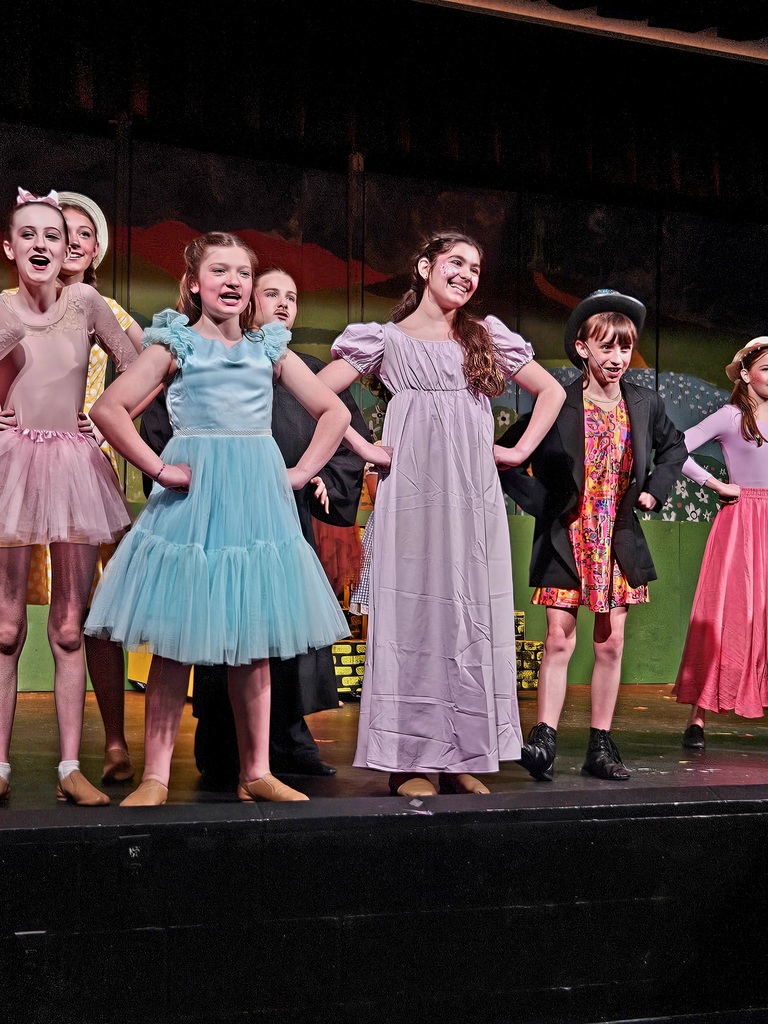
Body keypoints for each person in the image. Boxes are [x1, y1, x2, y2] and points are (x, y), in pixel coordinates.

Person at [84, 234, 352, 806]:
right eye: (219, 271)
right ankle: (156, 776)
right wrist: (160, 466)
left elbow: (334, 410)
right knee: (175, 641)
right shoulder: (176, 345)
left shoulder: (268, 349)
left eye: (241, 273)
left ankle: (256, 770)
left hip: (256, 501)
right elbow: (108, 409)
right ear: (195, 283)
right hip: (193, 503)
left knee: (253, 642)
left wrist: (300, 471)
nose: (232, 282)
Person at [317, 230, 566, 798]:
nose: (467, 274)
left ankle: (460, 754)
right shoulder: (383, 340)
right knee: (415, 619)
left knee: (468, 613)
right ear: (425, 266)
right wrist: (363, 445)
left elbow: (550, 391)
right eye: (456, 262)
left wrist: (518, 451)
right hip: (412, 496)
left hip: (472, 498)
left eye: (475, 267)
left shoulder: (484, 337)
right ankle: (410, 760)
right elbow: (317, 392)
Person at [137, 267, 370, 782]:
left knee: (269, 636)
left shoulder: (294, 363)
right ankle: (212, 746)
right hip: (203, 511)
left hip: (275, 514)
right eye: (272, 292)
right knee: (195, 631)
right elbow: (156, 421)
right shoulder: (190, 352)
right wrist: (168, 469)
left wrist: (314, 474)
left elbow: (341, 424)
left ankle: (277, 747)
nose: (283, 303)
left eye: (293, 295)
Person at [499, 289, 687, 782]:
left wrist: (654, 492)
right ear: (582, 348)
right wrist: (537, 501)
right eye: (606, 348)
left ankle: (600, 746)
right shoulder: (559, 404)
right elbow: (504, 451)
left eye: (624, 349)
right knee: (559, 640)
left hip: (617, 538)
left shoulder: (645, 404)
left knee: (610, 642)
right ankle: (543, 738)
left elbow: (674, 448)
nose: (617, 359)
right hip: (568, 534)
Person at [0, 187, 139, 805]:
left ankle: (67, 767)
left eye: (52, 236)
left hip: (74, 463)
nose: (42, 245)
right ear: (9, 247)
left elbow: (140, 364)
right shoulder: (1, 308)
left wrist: (106, 413)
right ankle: (0, 766)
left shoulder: (85, 301)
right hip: (11, 465)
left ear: (70, 251)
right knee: (5, 626)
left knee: (68, 625)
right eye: (28, 234)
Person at [672, 336, 768, 748]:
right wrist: (713, 483)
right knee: (726, 614)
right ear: (746, 374)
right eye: (767, 367)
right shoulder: (731, 417)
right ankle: (698, 717)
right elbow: (675, 447)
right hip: (742, 521)